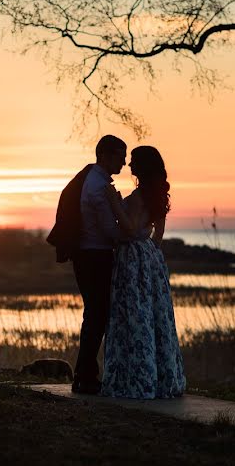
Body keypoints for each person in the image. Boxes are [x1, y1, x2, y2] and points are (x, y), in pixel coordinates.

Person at [100, 146, 186, 399]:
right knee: (153, 318)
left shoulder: (139, 197)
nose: (130, 166)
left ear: (144, 166)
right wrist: (150, 257)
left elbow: (129, 228)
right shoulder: (156, 196)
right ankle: (161, 377)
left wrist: (114, 204)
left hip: (133, 258)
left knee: (133, 317)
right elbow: (157, 236)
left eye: (134, 162)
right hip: (149, 258)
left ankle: (136, 381)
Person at [47, 135, 127, 394]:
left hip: (88, 255)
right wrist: (132, 238)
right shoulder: (96, 187)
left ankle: (85, 375)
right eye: (120, 155)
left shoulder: (92, 180)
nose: (124, 162)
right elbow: (109, 230)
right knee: (97, 315)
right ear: (104, 155)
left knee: (95, 315)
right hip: (96, 256)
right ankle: (85, 377)